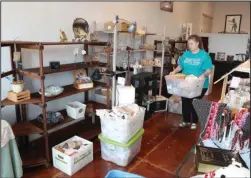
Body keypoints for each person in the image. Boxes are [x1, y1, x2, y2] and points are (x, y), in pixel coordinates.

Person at [169, 34, 213, 130]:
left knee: (194, 102)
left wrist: (203, 75)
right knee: (185, 101)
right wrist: (174, 71)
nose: (189, 46)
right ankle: (186, 121)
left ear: (197, 43)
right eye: (188, 44)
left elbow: (209, 70)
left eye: (191, 43)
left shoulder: (204, 56)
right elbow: (181, 66)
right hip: (186, 82)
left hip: (199, 84)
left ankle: (194, 122)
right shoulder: (186, 54)